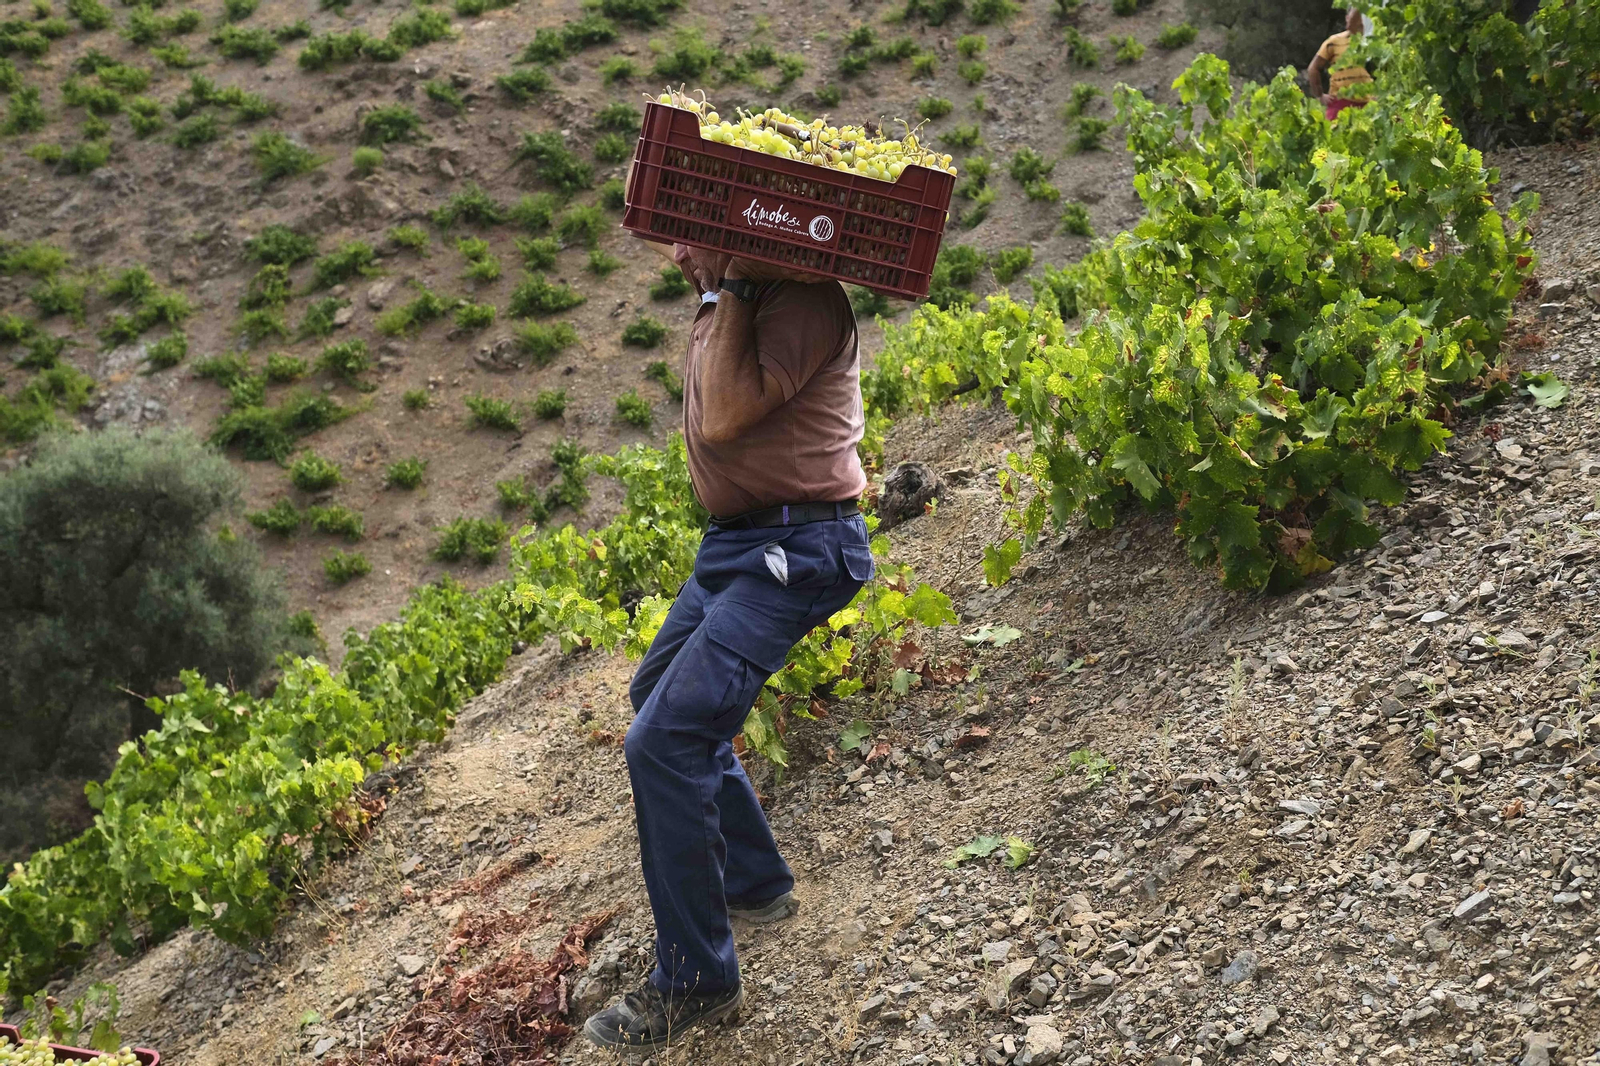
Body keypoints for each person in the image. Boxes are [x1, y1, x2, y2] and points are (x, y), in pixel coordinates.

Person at [583, 241, 874, 1053]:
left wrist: (736, 278)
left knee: (664, 741)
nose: (679, 252)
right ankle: (755, 882)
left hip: (798, 550)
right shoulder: (732, 293)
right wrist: (724, 283)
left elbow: (721, 417)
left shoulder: (799, 297)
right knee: (659, 696)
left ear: (750, 233)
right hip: (739, 545)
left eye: (697, 234)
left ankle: (698, 980)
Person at [1307, 6, 1374, 122]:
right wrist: (1320, 95)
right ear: (1347, 18)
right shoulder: (1334, 41)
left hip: (1368, 104)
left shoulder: (1372, 41)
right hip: (1340, 102)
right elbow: (1313, 68)